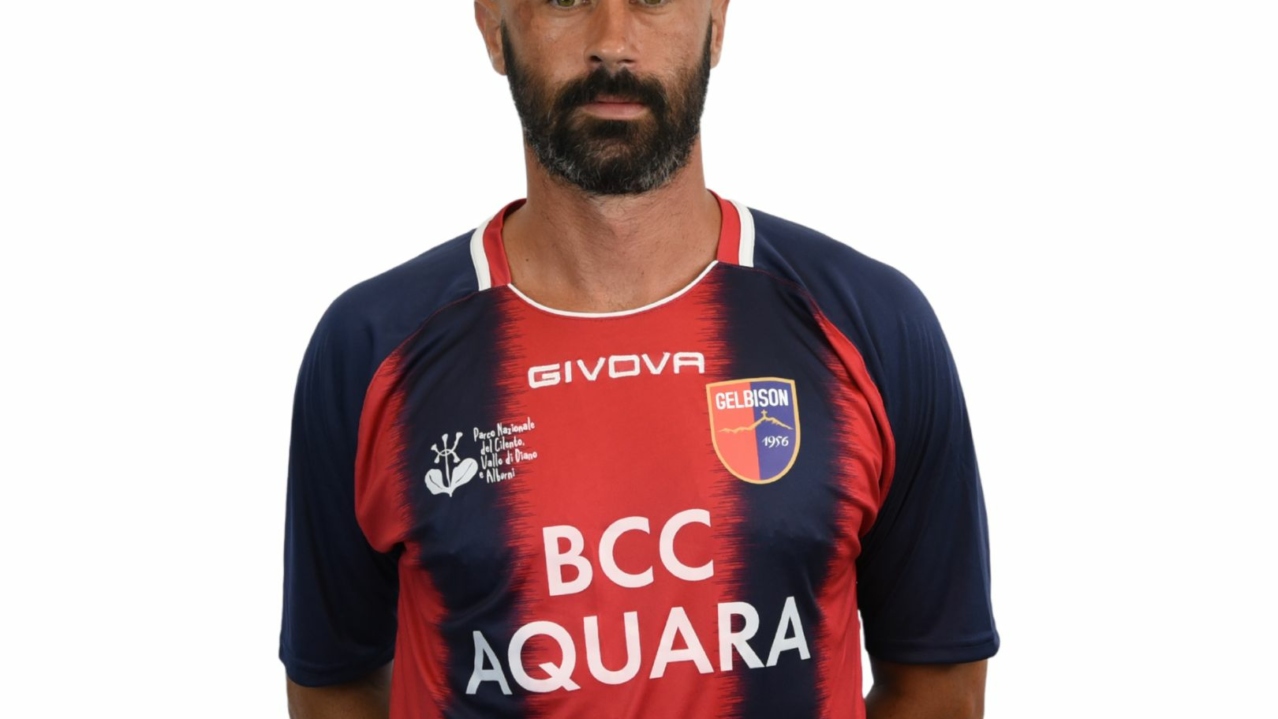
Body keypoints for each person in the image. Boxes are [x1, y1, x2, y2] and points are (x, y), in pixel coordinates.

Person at [280, 1, 998, 717]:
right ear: (493, 25)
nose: (613, 42)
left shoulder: (871, 326)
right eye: (566, 0)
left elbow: (941, 687)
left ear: (717, 22)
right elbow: (333, 685)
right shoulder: (371, 351)